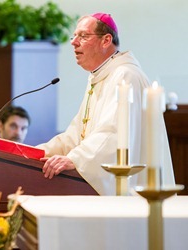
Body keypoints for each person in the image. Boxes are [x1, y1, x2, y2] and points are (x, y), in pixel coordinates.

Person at [37, 13, 175, 195]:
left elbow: (112, 134)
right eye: (74, 36)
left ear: (106, 40)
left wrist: (76, 159)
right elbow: (76, 135)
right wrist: (35, 153)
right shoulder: (99, 76)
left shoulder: (126, 76)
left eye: (83, 36)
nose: (74, 42)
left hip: (132, 189)